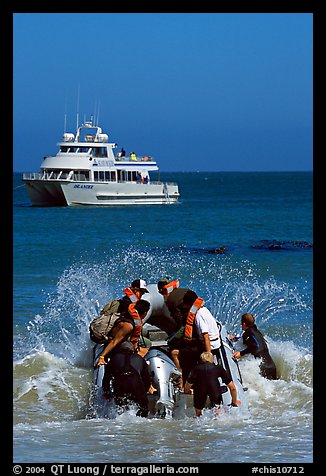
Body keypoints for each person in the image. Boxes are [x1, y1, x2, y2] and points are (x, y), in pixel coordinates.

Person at [103, 341, 152, 417]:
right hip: (135, 383)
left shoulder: (114, 359)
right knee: (143, 409)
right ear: (133, 350)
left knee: (121, 411)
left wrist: (107, 393)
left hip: (120, 383)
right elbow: (147, 380)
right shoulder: (139, 358)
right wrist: (144, 392)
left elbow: (106, 380)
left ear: (120, 350)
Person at [97, 299, 151, 366]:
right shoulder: (128, 326)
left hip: (120, 339)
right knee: (134, 348)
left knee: (146, 346)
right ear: (145, 313)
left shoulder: (129, 314)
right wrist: (102, 356)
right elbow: (115, 341)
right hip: (113, 341)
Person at [188, 351, 241, 417]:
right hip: (215, 391)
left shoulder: (195, 369)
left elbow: (188, 384)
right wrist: (234, 402)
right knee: (218, 414)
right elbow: (232, 388)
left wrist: (188, 390)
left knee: (198, 416)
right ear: (212, 359)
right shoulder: (218, 368)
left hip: (200, 391)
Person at [232, 313, 277, 380]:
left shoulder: (248, 333)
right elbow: (253, 340)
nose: (241, 325)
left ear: (244, 324)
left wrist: (241, 353)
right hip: (272, 367)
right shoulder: (256, 332)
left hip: (264, 368)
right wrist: (235, 339)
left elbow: (255, 345)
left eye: (241, 323)